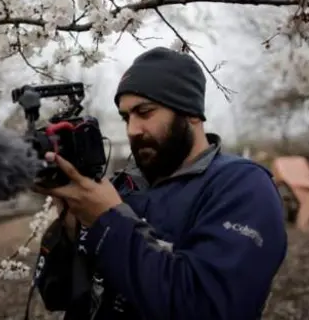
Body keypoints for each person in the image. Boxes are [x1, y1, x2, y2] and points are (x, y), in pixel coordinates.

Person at [32, 46, 288, 320]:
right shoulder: (121, 187)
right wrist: (72, 230)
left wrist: (107, 221)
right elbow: (56, 296)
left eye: (145, 112)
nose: (132, 129)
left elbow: (208, 306)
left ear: (190, 113)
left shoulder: (241, 187)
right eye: (126, 117)